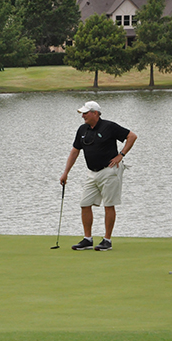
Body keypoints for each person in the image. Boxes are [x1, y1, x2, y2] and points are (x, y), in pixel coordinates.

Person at [59, 101, 137, 251]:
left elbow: (132, 136)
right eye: (82, 113)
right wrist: (65, 173)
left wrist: (121, 155)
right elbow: (75, 151)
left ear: (95, 113)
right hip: (92, 173)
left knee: (109, 205)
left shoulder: (109, 126)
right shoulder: (82, 129)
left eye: (86, 113)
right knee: (85, 203)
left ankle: (107, 240)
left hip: (109, 171)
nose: (83, 116)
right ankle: (88, 239)